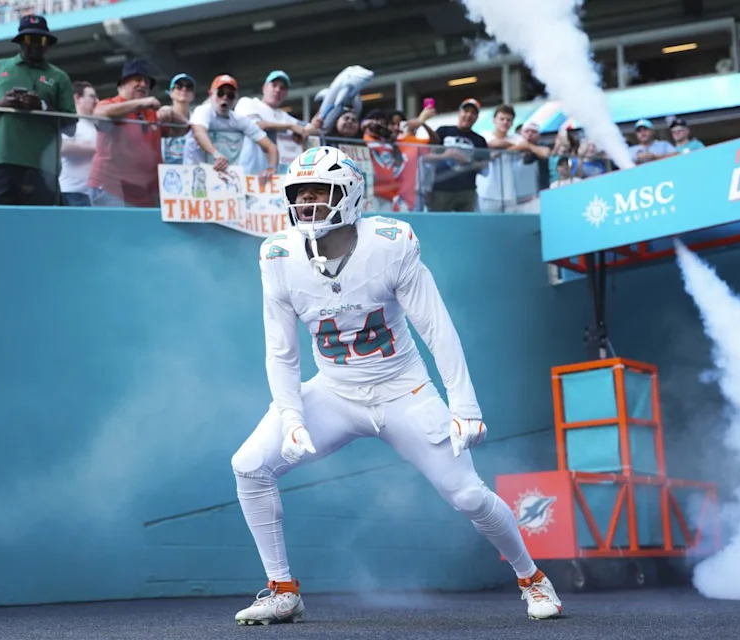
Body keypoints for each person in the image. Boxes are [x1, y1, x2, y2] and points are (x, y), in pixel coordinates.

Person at [231, 145, 563, 626]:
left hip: (402, 390)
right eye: (298, 194)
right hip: (335, 392)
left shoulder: (390, 242)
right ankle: (282, 589)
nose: (305, 203)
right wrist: (291, 415)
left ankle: (531, 576)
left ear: (347, 194)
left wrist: (462, 403)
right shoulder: (278, 255)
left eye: (317, 192)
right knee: (248, 466)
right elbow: (281, 351)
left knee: (468, 496)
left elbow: (436, 328)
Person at [0, 14, 74, 205]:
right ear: (20, 41)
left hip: (42, 166)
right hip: (1, 161)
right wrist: (1, 104)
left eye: (41, 39)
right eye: (28, 39)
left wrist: (41, 106)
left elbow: (71, 125)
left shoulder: (59, 77)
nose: (35, 44)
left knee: (40, 226)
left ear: (47, 43)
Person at [87, 58, 188, 208]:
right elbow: (99, 114)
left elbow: (183, 129)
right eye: (138, 80)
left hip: (145, 194)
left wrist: (172, 113)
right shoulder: (111, 104)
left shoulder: (151, 113)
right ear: (122, 84)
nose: (143, 84)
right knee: (115, 232)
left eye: (146, 82)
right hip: (112, 188)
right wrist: (141, 103)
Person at [182, 74, 278, 182]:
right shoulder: (203, 111)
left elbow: (271, 147)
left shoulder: (239, 120)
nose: (225, 98)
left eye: (230, 95)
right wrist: (216, 154)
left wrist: (271, 169)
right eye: (221, 93)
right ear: (211, 94)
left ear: (235, 98)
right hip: (194, 177)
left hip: (224, 180)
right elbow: (199, 132)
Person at [235, 70, 317, 176]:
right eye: (274, 85)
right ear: (264, 88)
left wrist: (305, 130)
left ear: (286, 94)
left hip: (276, 180)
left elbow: (314, 129)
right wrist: (290, 127)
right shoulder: (248, 103)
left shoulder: (285, 117)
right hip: (249, 176)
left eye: (282, 88)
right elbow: (255, 126)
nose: (278, 90)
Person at [424, 98, 488, 212]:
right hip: (441, 189)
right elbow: (425, 156)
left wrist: (468, 161)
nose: (469, 115)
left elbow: (484, 165)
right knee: (438, 225)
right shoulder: (443, 131)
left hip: (467, 191)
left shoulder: (480, 140)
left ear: (477, 117)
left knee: (466, 226)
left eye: (473, 113)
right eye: (466, 111)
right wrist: (446, 155)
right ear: (459, 113)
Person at [59, 80, 98, 206]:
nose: (96, 101)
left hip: (93, 194)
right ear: (77, 98)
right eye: (92, 96)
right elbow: (62, 147)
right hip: (72, 192)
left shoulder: (96, 126)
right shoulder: (70, 123)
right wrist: (95, 149)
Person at [161, 72, 196, 164]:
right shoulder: (163, 116)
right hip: (167, 170)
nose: (184, 89)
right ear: (171, 93)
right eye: (179, 86)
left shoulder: (197, 120)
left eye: (189, 87)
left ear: (193, 95)